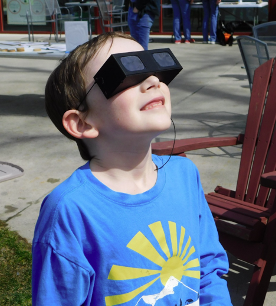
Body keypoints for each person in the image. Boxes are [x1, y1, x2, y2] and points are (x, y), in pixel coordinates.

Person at [31, 32, 233, 305]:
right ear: (82, 123)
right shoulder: (70, 210)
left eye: (154, 70)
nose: (153, 81)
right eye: (125, 74)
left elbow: (208, 266)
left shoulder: (185, 175)